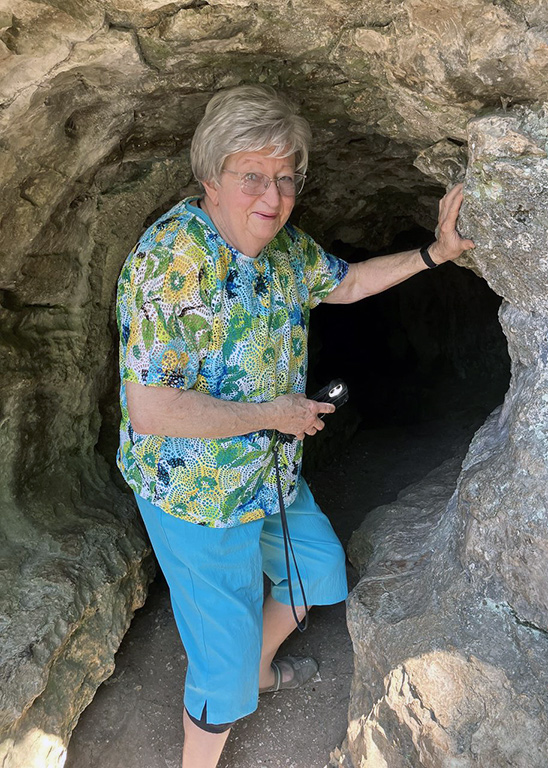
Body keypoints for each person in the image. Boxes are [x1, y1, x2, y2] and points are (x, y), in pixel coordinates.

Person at [115, 84, 474, 767]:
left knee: (317, 572)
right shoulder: (168, 264)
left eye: (285, 178)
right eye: (251, 175)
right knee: (216, 671)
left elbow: (346, 282)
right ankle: (222, 707)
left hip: (269, 475)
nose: (272, 196)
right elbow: (151, 407)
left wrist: (435, 253)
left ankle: (255, 667)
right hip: (195, 496)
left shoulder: (283, 249)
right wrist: (273, 415)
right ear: (209, 179)